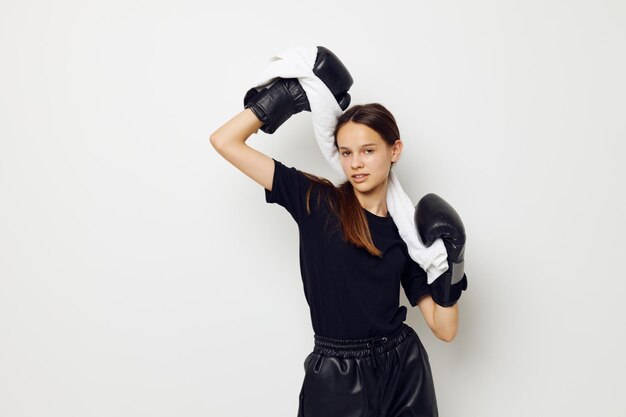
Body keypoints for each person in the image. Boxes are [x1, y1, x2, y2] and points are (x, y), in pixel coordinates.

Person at [210, 49, 465, 417]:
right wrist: (284, 96)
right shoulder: (316, 201)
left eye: (368, 150)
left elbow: (445, 328)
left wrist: (453, 263)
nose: (356, 163)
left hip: (403, 367)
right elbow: (224, 141)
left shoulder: (409, 233)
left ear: (395, 151)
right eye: (346, 152)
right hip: (337, 375)